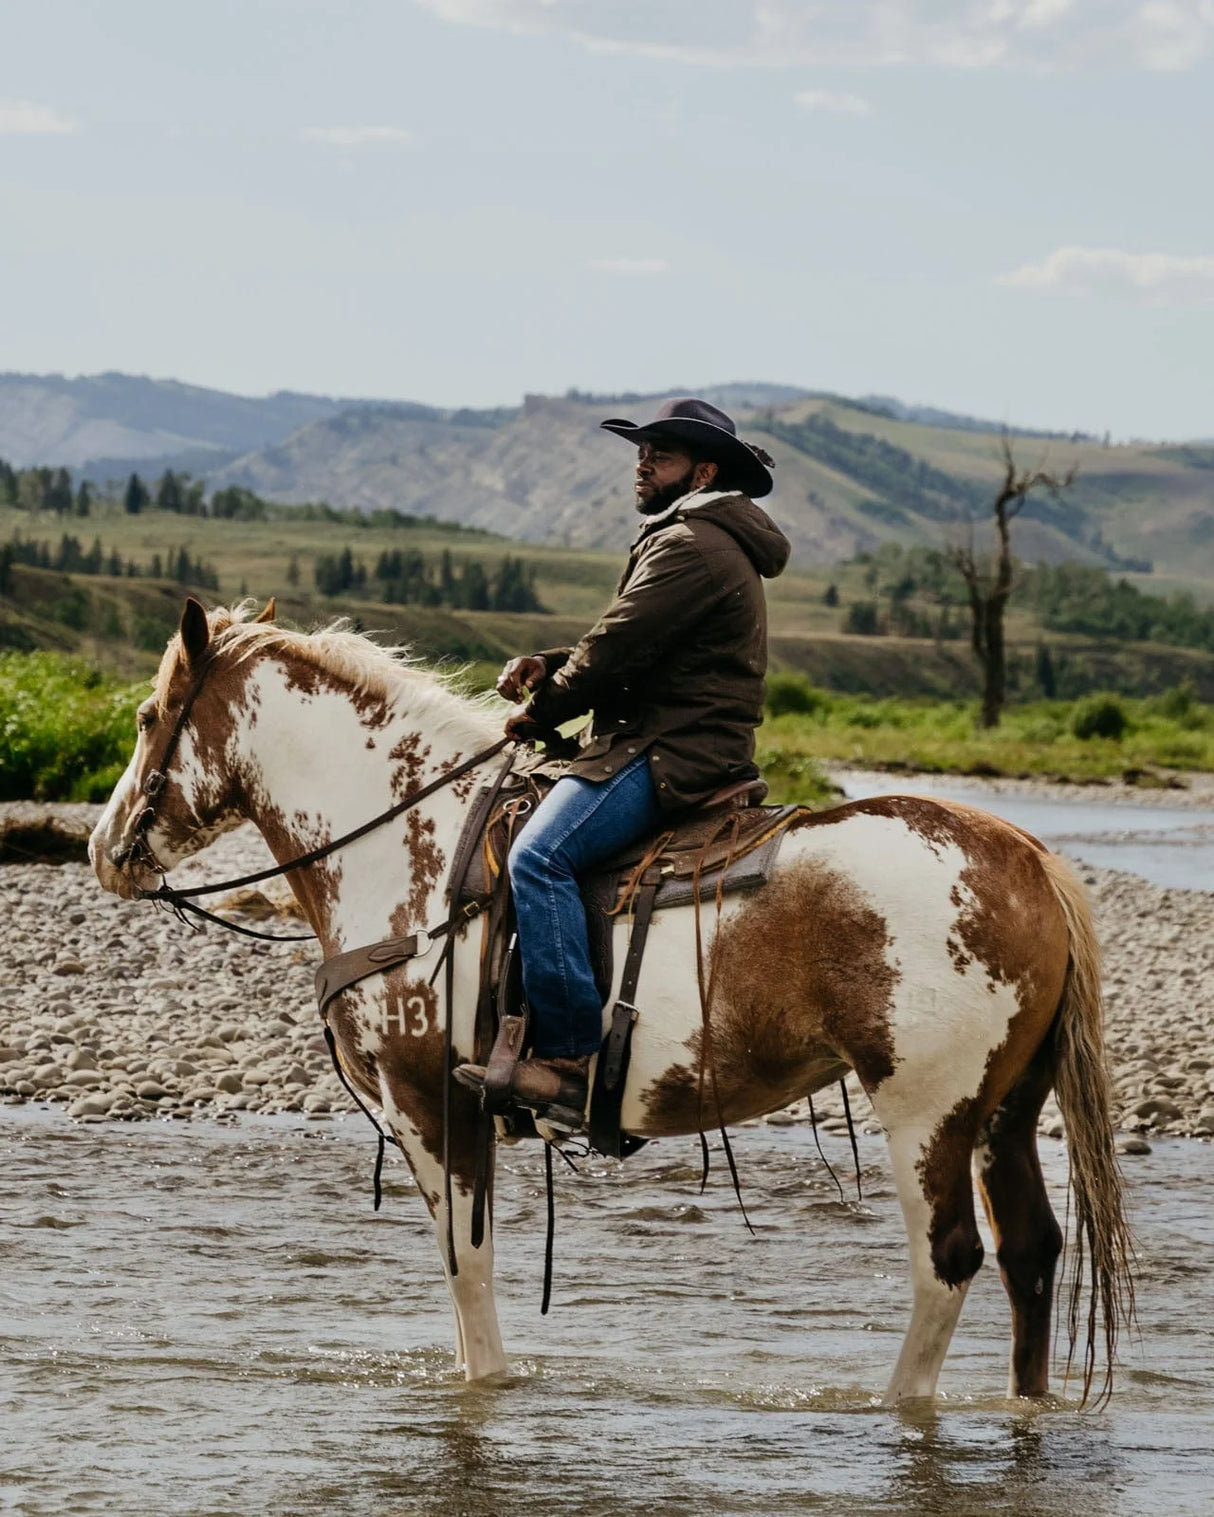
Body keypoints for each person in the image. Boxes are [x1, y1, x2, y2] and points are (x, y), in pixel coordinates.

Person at [455, 397, 791, 1129]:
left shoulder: (692, 545)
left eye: (660, 454)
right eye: (642, 451)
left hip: (673, 752)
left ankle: (570, 1056)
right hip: (665, 735)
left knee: (538, 857)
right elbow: (633, 643)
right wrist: (550, 665)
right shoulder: (690, 537)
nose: (643, 462)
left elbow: (612, 651)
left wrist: (542, 711)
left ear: (702, 471)